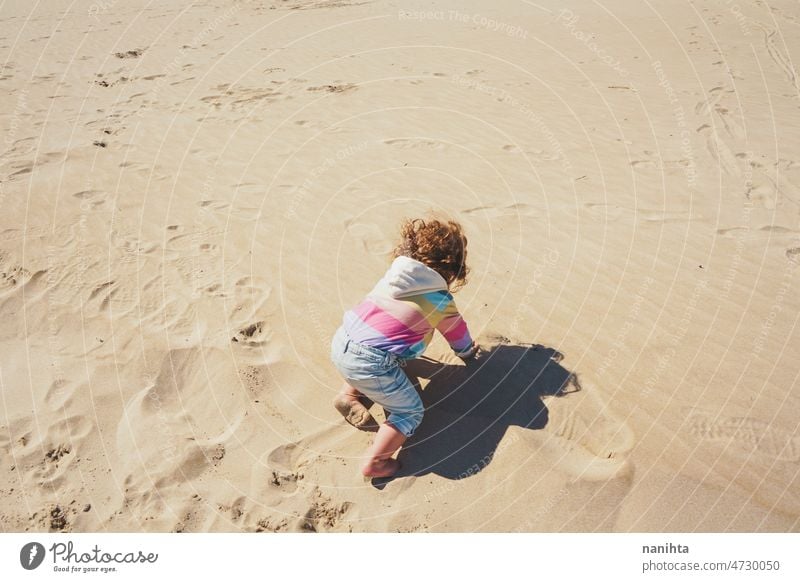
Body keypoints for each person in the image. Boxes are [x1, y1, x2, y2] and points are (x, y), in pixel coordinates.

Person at [330, 217, 478, 478]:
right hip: (373, 361)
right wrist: (466, 352)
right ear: (453, 269)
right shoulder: (440, 300)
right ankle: (376, 461)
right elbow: (457, 334)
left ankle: (349, 395)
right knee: (409, 411)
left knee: (373, 354)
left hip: (342, 341)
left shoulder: (394, 279)